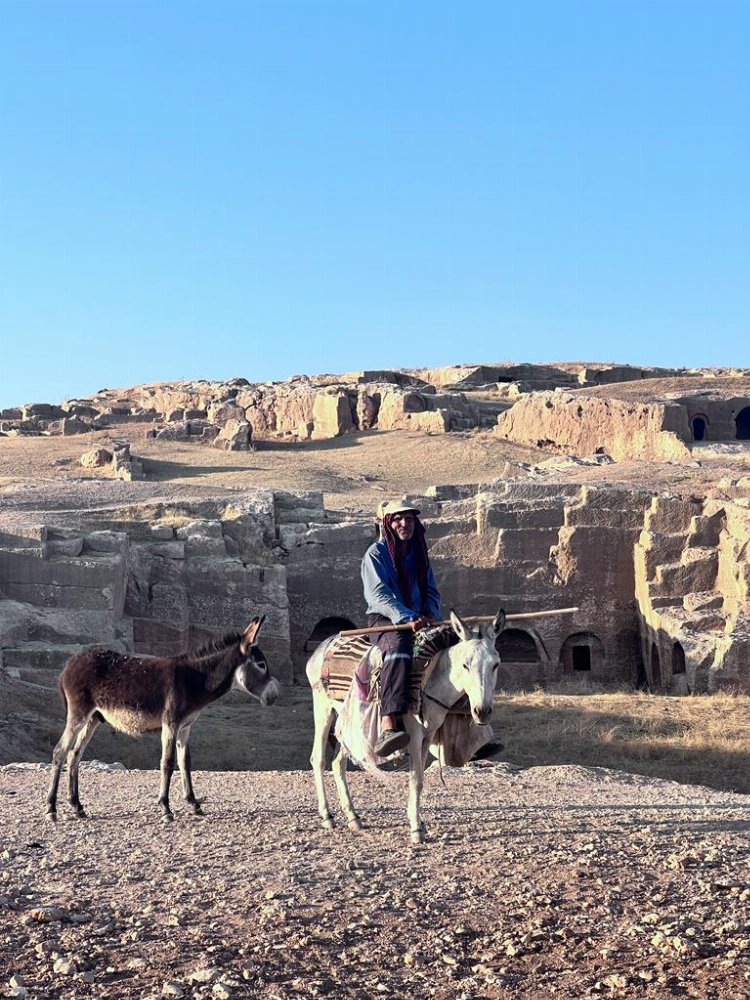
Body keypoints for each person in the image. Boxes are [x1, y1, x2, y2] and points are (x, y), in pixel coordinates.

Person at [360, 500, 443, 757]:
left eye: (408, 519)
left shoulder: (419, 555)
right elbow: (378, 595)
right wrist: (407, 617)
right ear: (388, 523)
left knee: (453, 644)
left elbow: (431, 591)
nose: (404, 524)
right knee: (399, 647)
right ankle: (388, 723)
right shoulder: (376, 553)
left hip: (418, 618)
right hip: (384, 620)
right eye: (397, 519)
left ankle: (474, 731)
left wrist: (431, 615)